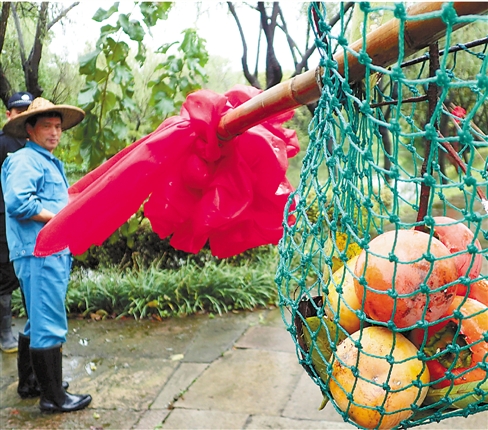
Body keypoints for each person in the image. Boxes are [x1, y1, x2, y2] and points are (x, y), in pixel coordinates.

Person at [1, 97, 92, 413]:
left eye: (58, 127)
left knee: (36, 321)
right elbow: (19, 203)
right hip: (41, 252)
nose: (54, 133)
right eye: (47, 126)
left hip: (45, 251)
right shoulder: (26, 160)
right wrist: (60, 218)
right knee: (49, 323)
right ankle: (53, 397)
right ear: (30, 129)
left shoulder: (43, 160)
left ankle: (32, 383)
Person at [0, 91, 33, 353]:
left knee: (26, 271)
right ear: (9, 115)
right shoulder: (2, 144)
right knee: (5, 274)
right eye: (18, 111)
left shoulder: (33, 145)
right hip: (3, 221)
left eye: (28, 111)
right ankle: (5, 334)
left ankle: (32, 329)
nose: (23, 115)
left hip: (29, 220)